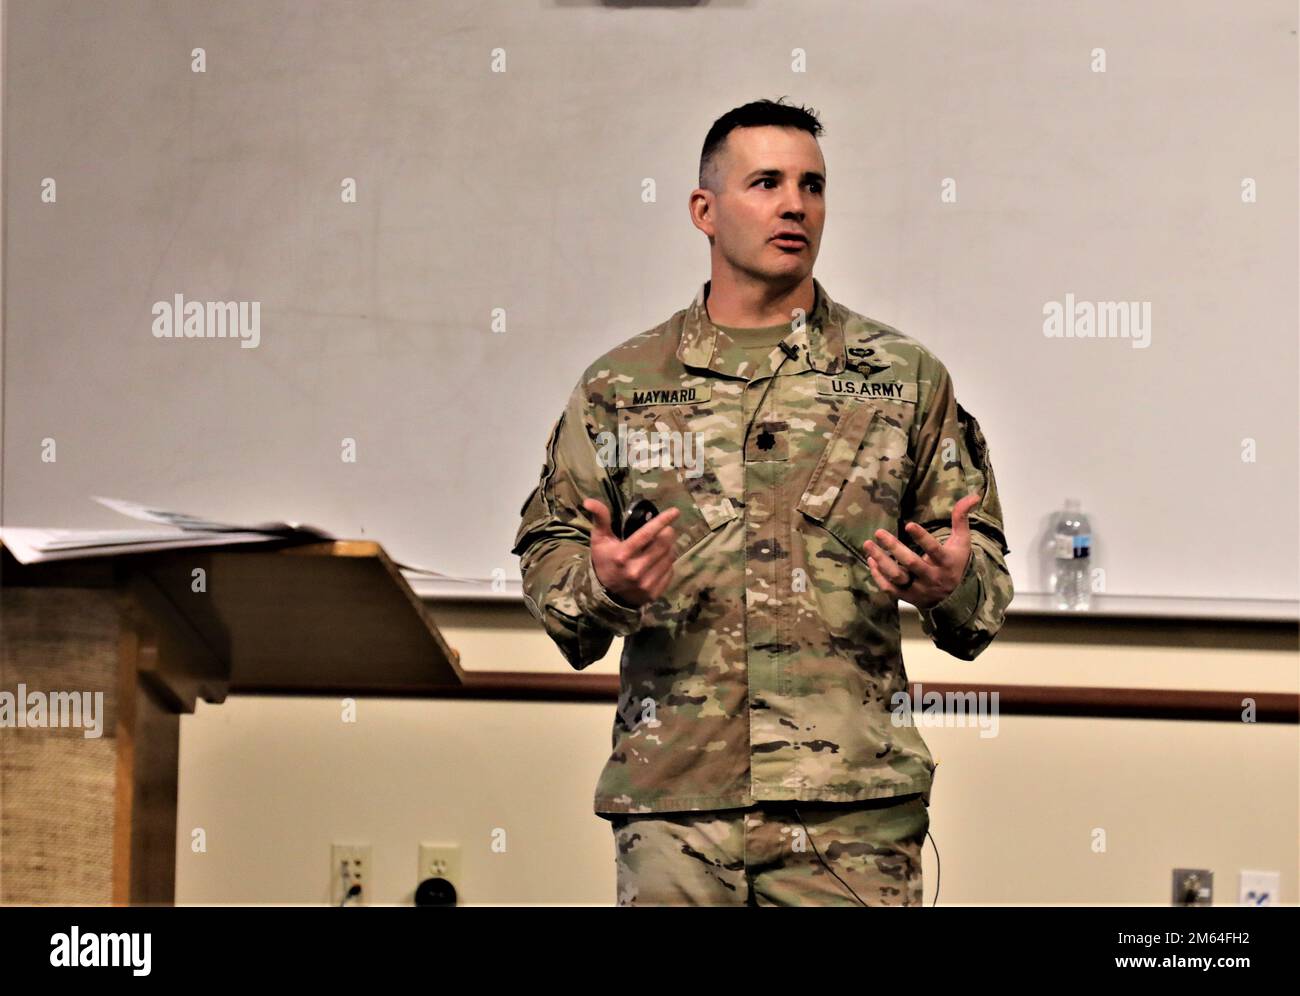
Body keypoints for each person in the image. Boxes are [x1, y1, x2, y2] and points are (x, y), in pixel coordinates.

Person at [511, 97, 1013, 906]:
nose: (794, 205)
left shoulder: (902, 379)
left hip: (852, 814)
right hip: (678, 806)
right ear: (704, 211)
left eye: (812, 186)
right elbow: (553, 561)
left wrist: (950, 581)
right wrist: (602, 585)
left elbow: (981, 594)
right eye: (767, 183)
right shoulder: (623, 386)